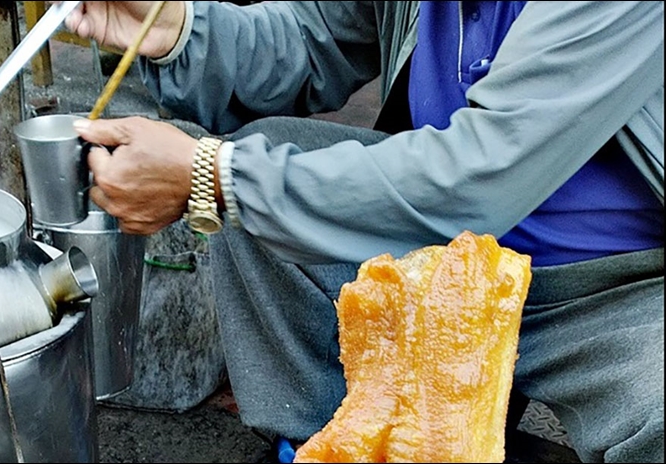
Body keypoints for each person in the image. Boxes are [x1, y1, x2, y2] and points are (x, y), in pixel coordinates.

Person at [64, 2, 664, 462]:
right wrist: (178, 29)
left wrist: (212, 176)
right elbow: (309, 37)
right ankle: (328, 438)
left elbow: (478, 177)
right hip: (434, 257)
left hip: (616, 289)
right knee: (267, 155)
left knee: (656, 409)